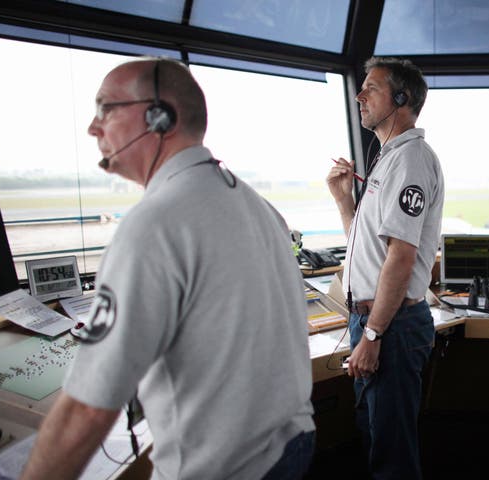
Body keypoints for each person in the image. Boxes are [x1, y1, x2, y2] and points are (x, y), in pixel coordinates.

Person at [20, 58, 315, 480]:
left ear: (161, 117)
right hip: (288, 446)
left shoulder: (153, 225)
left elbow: (87, 406)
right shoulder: (255, 204)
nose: (92, 126)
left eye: (106, 108)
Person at [326, 57, 444, 479]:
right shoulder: (388, 158)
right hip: (374, 321)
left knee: (392, 452)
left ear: (401, 98)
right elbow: (369, 248)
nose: (359, 95)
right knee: (374, 435)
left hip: (390, 326)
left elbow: (402, 257)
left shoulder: (410, 159)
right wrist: (344, 202)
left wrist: (373, 334)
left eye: (370, 88)